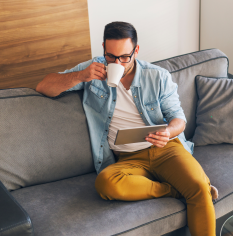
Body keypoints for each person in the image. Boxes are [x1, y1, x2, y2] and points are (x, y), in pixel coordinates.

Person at [36, 21, 218, 236]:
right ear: (103, 47)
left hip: (166, 149)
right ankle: (173, 189)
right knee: (106, 183)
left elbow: (179, 119)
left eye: (124, 57)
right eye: (111, 56)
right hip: (127, 158)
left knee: (198, 187)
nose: (118, 63)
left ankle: (187, 187)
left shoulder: (157, 76)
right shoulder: (92, 69)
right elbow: (43, 87)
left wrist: (168, 133)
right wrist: (80, 76)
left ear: (136, 50)